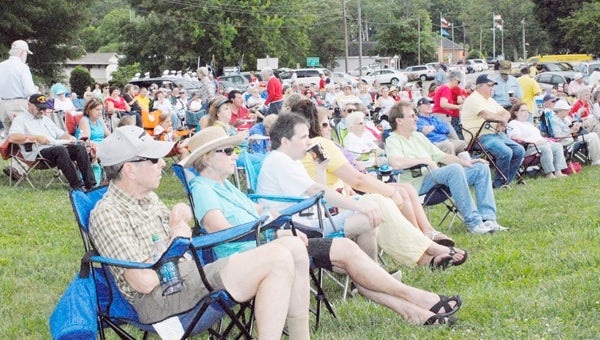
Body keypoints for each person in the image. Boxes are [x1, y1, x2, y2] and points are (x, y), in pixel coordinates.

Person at [179, 126, 463, 326]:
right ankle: (418, 300)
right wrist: (273, 228)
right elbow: (220, 231)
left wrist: (278, 221)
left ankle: (413, 310)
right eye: (228, 150)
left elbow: (261, 209)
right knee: (347, 252)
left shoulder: (226, 187)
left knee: (349, 257)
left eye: (235, 149)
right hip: (256, 259)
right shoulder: (204, 189)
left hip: (276, 246)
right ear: (206, 158)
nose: (235, 155)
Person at [89, 126, 311, 339]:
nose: (162, 165)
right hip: (162, 298)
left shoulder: (148, 198)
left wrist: (179, 214)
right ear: (129, 169)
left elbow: (176, 228)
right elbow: (144, 282)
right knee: (277, 258)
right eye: (154, 160)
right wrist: (175, 237)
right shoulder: (108, 214)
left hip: (191, 276)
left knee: (292, 247)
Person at [258, 112, 467, 267]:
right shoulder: (280, 162)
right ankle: (421, 251)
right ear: (285, 141)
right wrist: (359, 206)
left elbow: (315, 194)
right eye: (303, 137)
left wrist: (321, 170)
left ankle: (400, 263)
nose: (308, 141)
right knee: (374, 210)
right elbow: (318, 192)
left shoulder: (289, 161)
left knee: (375, 206)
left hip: (313, 219)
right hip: (302, 229)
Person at [295, 100, 458, 247]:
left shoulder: (338, 141)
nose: (330, 127)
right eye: (324, 125)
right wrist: (387, 188)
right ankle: (421, 240)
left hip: (358, 181)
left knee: (406, 188)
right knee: (399, 191)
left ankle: (427, 232)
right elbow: (353, 179)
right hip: (352, 190)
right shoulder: (323, 144)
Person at [385, 101, 508, 234]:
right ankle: (474, 223)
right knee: (454, 169)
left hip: (435, 177)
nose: (416, 118)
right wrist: (425, 160)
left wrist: (468, 162)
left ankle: (488, 218)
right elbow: (395, 163)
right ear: (399, 121)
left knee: (480, 168)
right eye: (411, 116)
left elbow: (442, 157)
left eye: (415, 115)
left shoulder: (418, 136)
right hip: (418, 184)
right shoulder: (393, 139)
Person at [7, 94, 96, 190]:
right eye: (39, 108)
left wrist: (70, 138)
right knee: (60, 150)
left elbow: (60, 134)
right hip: (37, 153)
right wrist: (36, 138)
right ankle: (78, 186)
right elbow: (12, 137)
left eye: (44, 108)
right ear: (29, 105)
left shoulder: (45, 119)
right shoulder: (20, 120)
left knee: (80, 148)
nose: (42, 111)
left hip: (55, 149)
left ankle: (90, 185)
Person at [462, 74, 525, 188]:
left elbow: (506, 112)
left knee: (519, 150)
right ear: (479, 87)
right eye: (489, 85)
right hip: (479, 137)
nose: (492, 88)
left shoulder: (490, 100)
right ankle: (499, 184)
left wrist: (502, 121)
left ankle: (505, 181)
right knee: (506, 152)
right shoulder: (473, 99)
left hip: (495, 134)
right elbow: (486, 115)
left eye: (493, 85)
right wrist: (502, 120)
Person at [507, 102, 567, 178]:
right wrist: (534, 143)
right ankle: (549, 174)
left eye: (527, 111)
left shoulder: (528, 124)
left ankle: (558, 172)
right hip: (527, 148)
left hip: (540, 144)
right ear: (516, 112)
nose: (526, 113)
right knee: (545, 148)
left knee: (557, 146)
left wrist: (544, 140)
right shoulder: (513, 123)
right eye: (523, 110)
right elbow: (515, 138)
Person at [0, 40, 37, 132]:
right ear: (23, 53)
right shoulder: (22, 67)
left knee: (9, 135)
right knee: (24, 133)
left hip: (3, 104)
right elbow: (29, 91)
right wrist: (35, 90)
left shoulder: (1, 66)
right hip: (18, 104)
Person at [549, 100, 600, 165]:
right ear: (560, 111)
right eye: (567, 110)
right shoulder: (554, 120)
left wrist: (576, 127)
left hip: (572, 137)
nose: (568, 111)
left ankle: (597, 159)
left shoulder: (563, 119)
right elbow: (557, 136)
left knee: (596, 127)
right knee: (593, 134)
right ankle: (596, 160)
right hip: (566, 141)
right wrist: (572, 130)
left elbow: (570, 128)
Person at [431, 71, 462, 140]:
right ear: (454, 79)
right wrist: (458, 107)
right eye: (458, 82)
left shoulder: (442, 87)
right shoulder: (446, 88)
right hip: (442, 116)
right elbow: (443, 104)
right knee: (456, 140)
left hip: (439, 116)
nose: (458, 84)